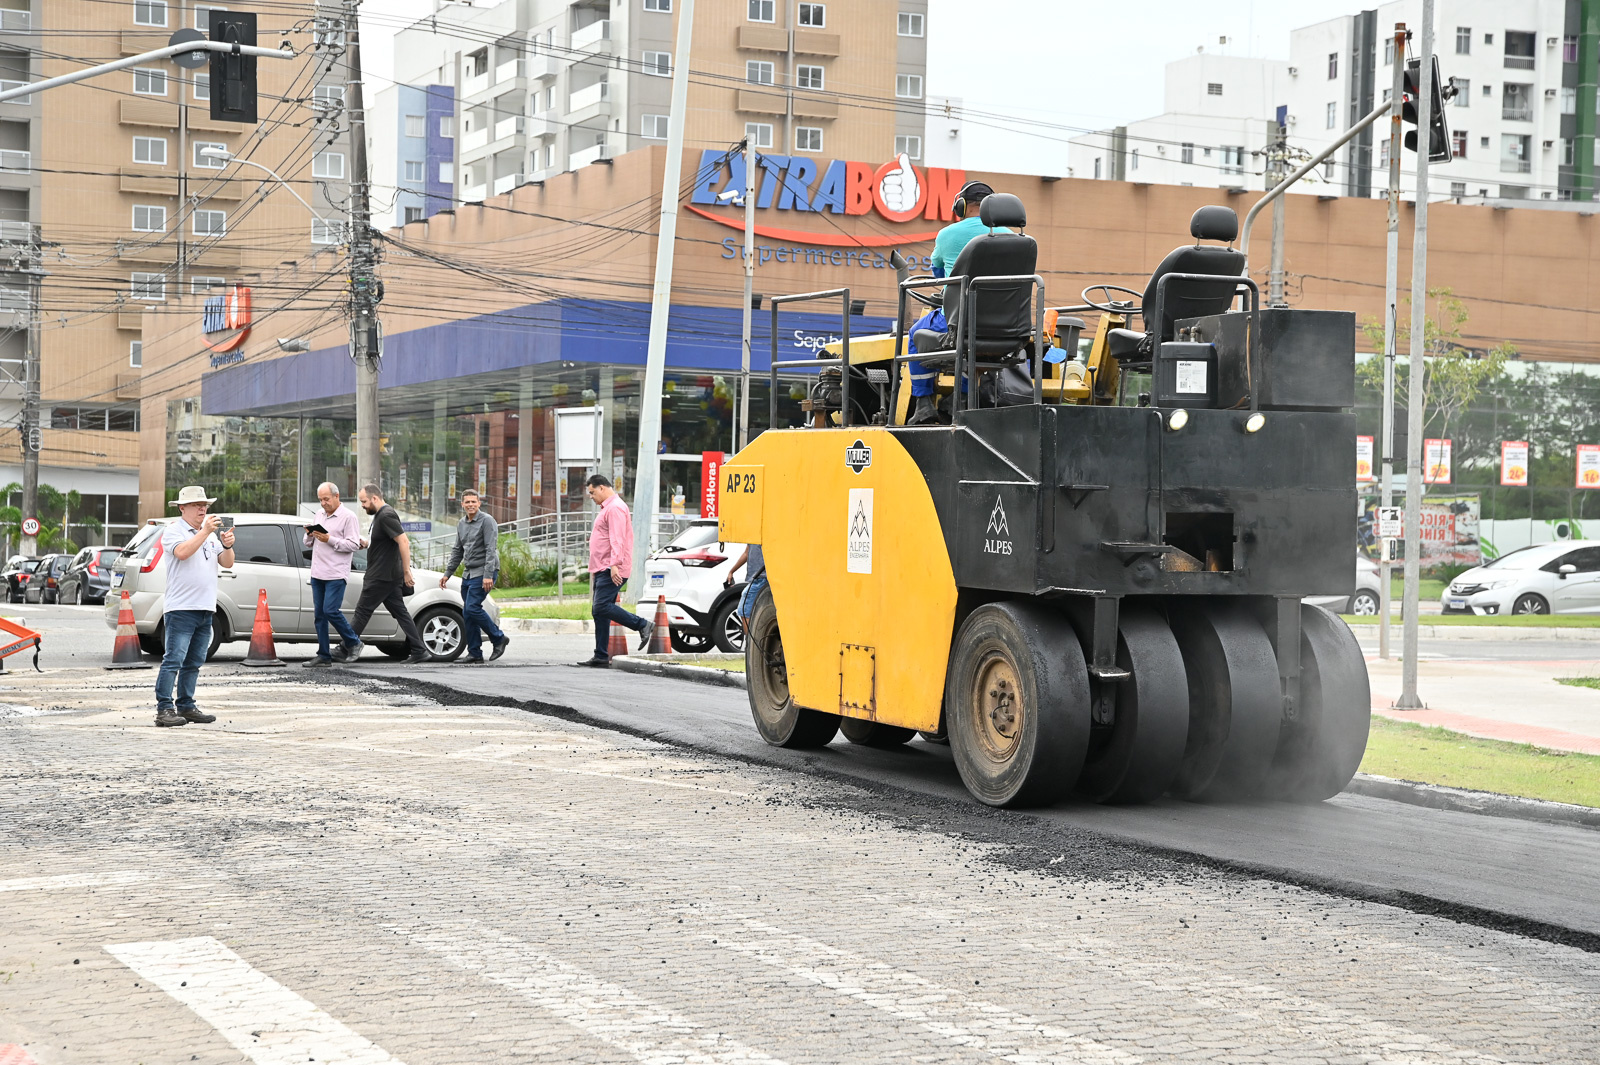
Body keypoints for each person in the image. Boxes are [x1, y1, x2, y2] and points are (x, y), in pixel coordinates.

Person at [905, 180, 1011, 426]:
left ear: (961, 205)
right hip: (1004, 326)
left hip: (958, 320)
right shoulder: (1015, 238)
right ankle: (961, 397)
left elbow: (939, 274)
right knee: (971, 348)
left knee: (915, 334)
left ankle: (923, 404)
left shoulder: (947, 234)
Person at [154, 484, 234, 728]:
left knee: (194, 661)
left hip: (205, 607)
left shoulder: (210, 534)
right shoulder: (173, 530)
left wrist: (227, 545)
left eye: (205, 505)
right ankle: (164, 708)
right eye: (197, 505)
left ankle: (186, 705)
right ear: (182, 508)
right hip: (181, 607)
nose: (203, 509)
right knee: (174, 659)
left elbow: (227, 563)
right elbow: (182, 553)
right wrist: (205, 532)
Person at [340, 483, 428, 664]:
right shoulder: (380, 515)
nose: (362, 506)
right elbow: (385, 543)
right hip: (387, 576)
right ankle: (419, 650)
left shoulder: (386, 515)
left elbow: (404, 542)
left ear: (374, 498)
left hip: (380, 576)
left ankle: (344, 648)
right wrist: (366, 543)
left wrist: (407, 571)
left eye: (364, 501)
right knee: (401, 613)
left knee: (362, 612)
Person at [576, 474, 654, 668]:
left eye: (592, 492)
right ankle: (601, 655)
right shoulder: (608, 508)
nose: (591, 497)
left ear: (602, 488)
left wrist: (615, 565)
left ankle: (642, 624)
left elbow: (617, 539)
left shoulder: (615, 508)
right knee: (599, 612)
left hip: (610, 567)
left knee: (601, 607)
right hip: (602, 566)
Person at [440, 488, 510, 663]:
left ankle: (499, 638)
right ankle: (474, 653)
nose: (470, 504)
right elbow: (457, 550)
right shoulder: (461, 524)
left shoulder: (487, 521)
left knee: (472, 608)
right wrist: (448, 573)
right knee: (468, 613)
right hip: (469, 573)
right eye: (467, 502)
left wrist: (488, 575)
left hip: (484, 571)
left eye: (473, 501)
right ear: (462, 504)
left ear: (479, 503)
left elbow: (490, 549)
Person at [302, 481, 363, 668]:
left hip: (336, 573)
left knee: (330, 611)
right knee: (319, 615)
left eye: (326, 499)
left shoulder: (349, 517)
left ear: (337, 496)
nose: (323, 503)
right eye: (320, 500)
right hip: (317, 572)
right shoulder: (319, 514)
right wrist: (310, 534)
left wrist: (330, 539)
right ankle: (324, 655)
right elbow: (307, 543)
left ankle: (353, 642)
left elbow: (354, 544)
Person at [726, 542, 766, 620]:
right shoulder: (753, 537)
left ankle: (749, 629)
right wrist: (732, 571)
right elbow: (746, 553)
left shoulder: (761, 535)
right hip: (758, 578)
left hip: (761, 578)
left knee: (744, 611)